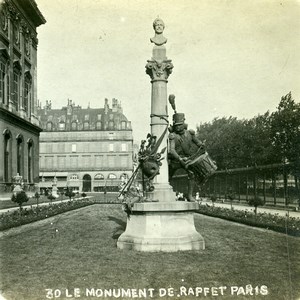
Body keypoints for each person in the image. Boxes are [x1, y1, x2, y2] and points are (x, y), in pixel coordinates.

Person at [168, 112, 205, 202]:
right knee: (168, 177)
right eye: (176, 125)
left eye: (180, 125)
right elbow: (172, 150)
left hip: (187, 160)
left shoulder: (190, 134)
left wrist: (202, 144)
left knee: (191, 174)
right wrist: (180, 159)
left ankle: (189, 195)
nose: (178, 127)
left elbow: (198, 142)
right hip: (176, 161)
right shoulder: (173, 136)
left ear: (184, 124)